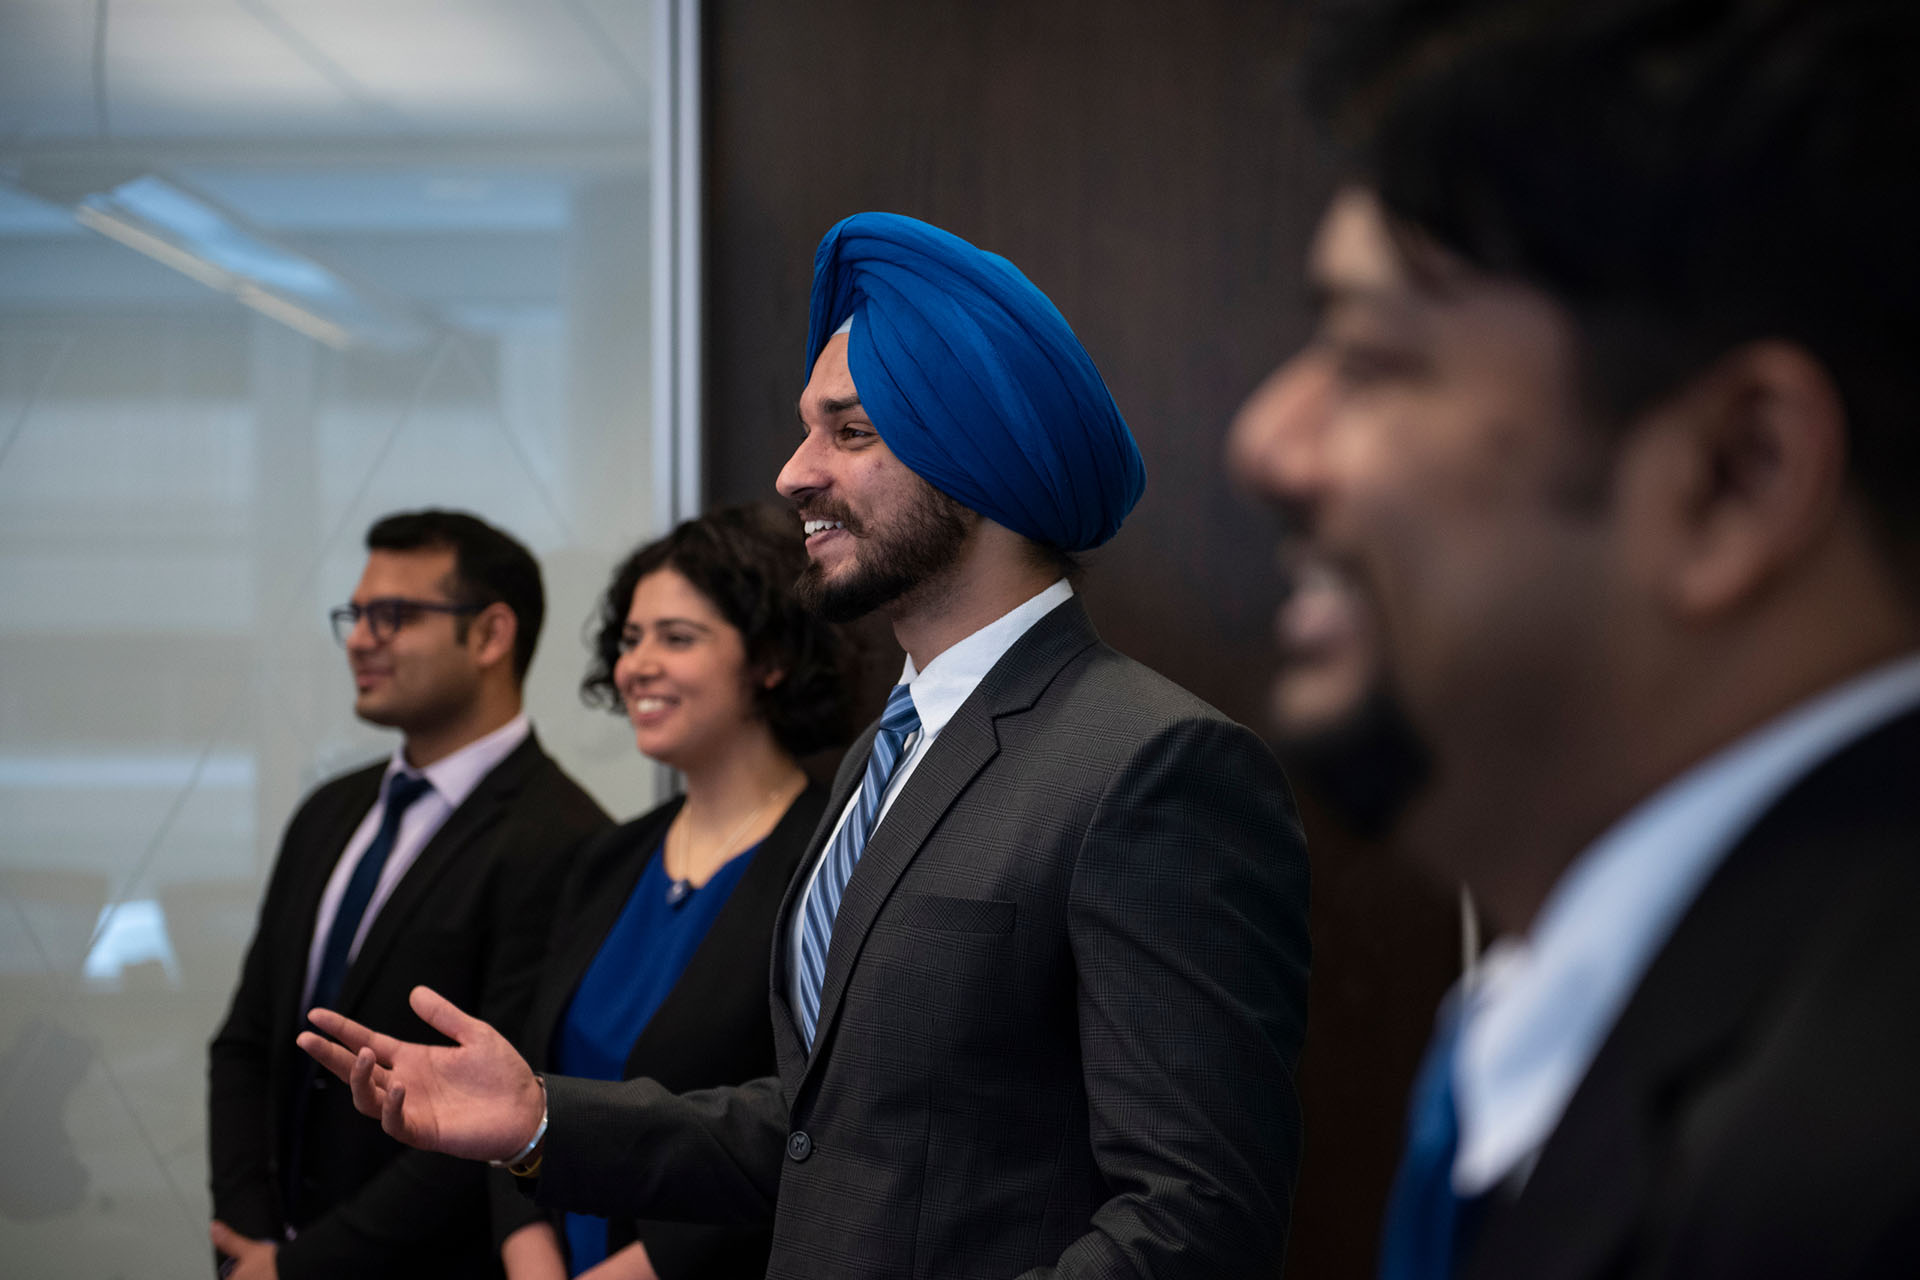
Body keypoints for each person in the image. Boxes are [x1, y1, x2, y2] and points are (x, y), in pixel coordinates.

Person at [301, 211, 1311, 1279]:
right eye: (805, 428)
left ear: (978, 459)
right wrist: (542, 1118)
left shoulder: (1155, 764)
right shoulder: (886, 750)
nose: (792, 472)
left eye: (851, 431)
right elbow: (820, 1131)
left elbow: (1196, 1217)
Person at [1230, 1, 1920, 1276]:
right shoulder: (1607, 1016)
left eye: (1372, 359)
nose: (1269, 441)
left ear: (1737, 474)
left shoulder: (1855, 1174)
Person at [208, 510, 612, 1280]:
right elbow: (247, 1041)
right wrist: (249, 1238)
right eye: (356, 616)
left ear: (491, 636)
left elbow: (497, 1114)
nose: (361, 638)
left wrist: (300, 1269)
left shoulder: (565, 839)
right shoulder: (330, 811)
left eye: (393, 617)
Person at [495, 504, 855, 1280]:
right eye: (630, 640)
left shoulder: (835, 860)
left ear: (769, 659)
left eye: (677, 638)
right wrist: (533, 1262)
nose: (637, 666)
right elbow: (518, 1084)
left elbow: (817, 1132)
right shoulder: (605, 858)